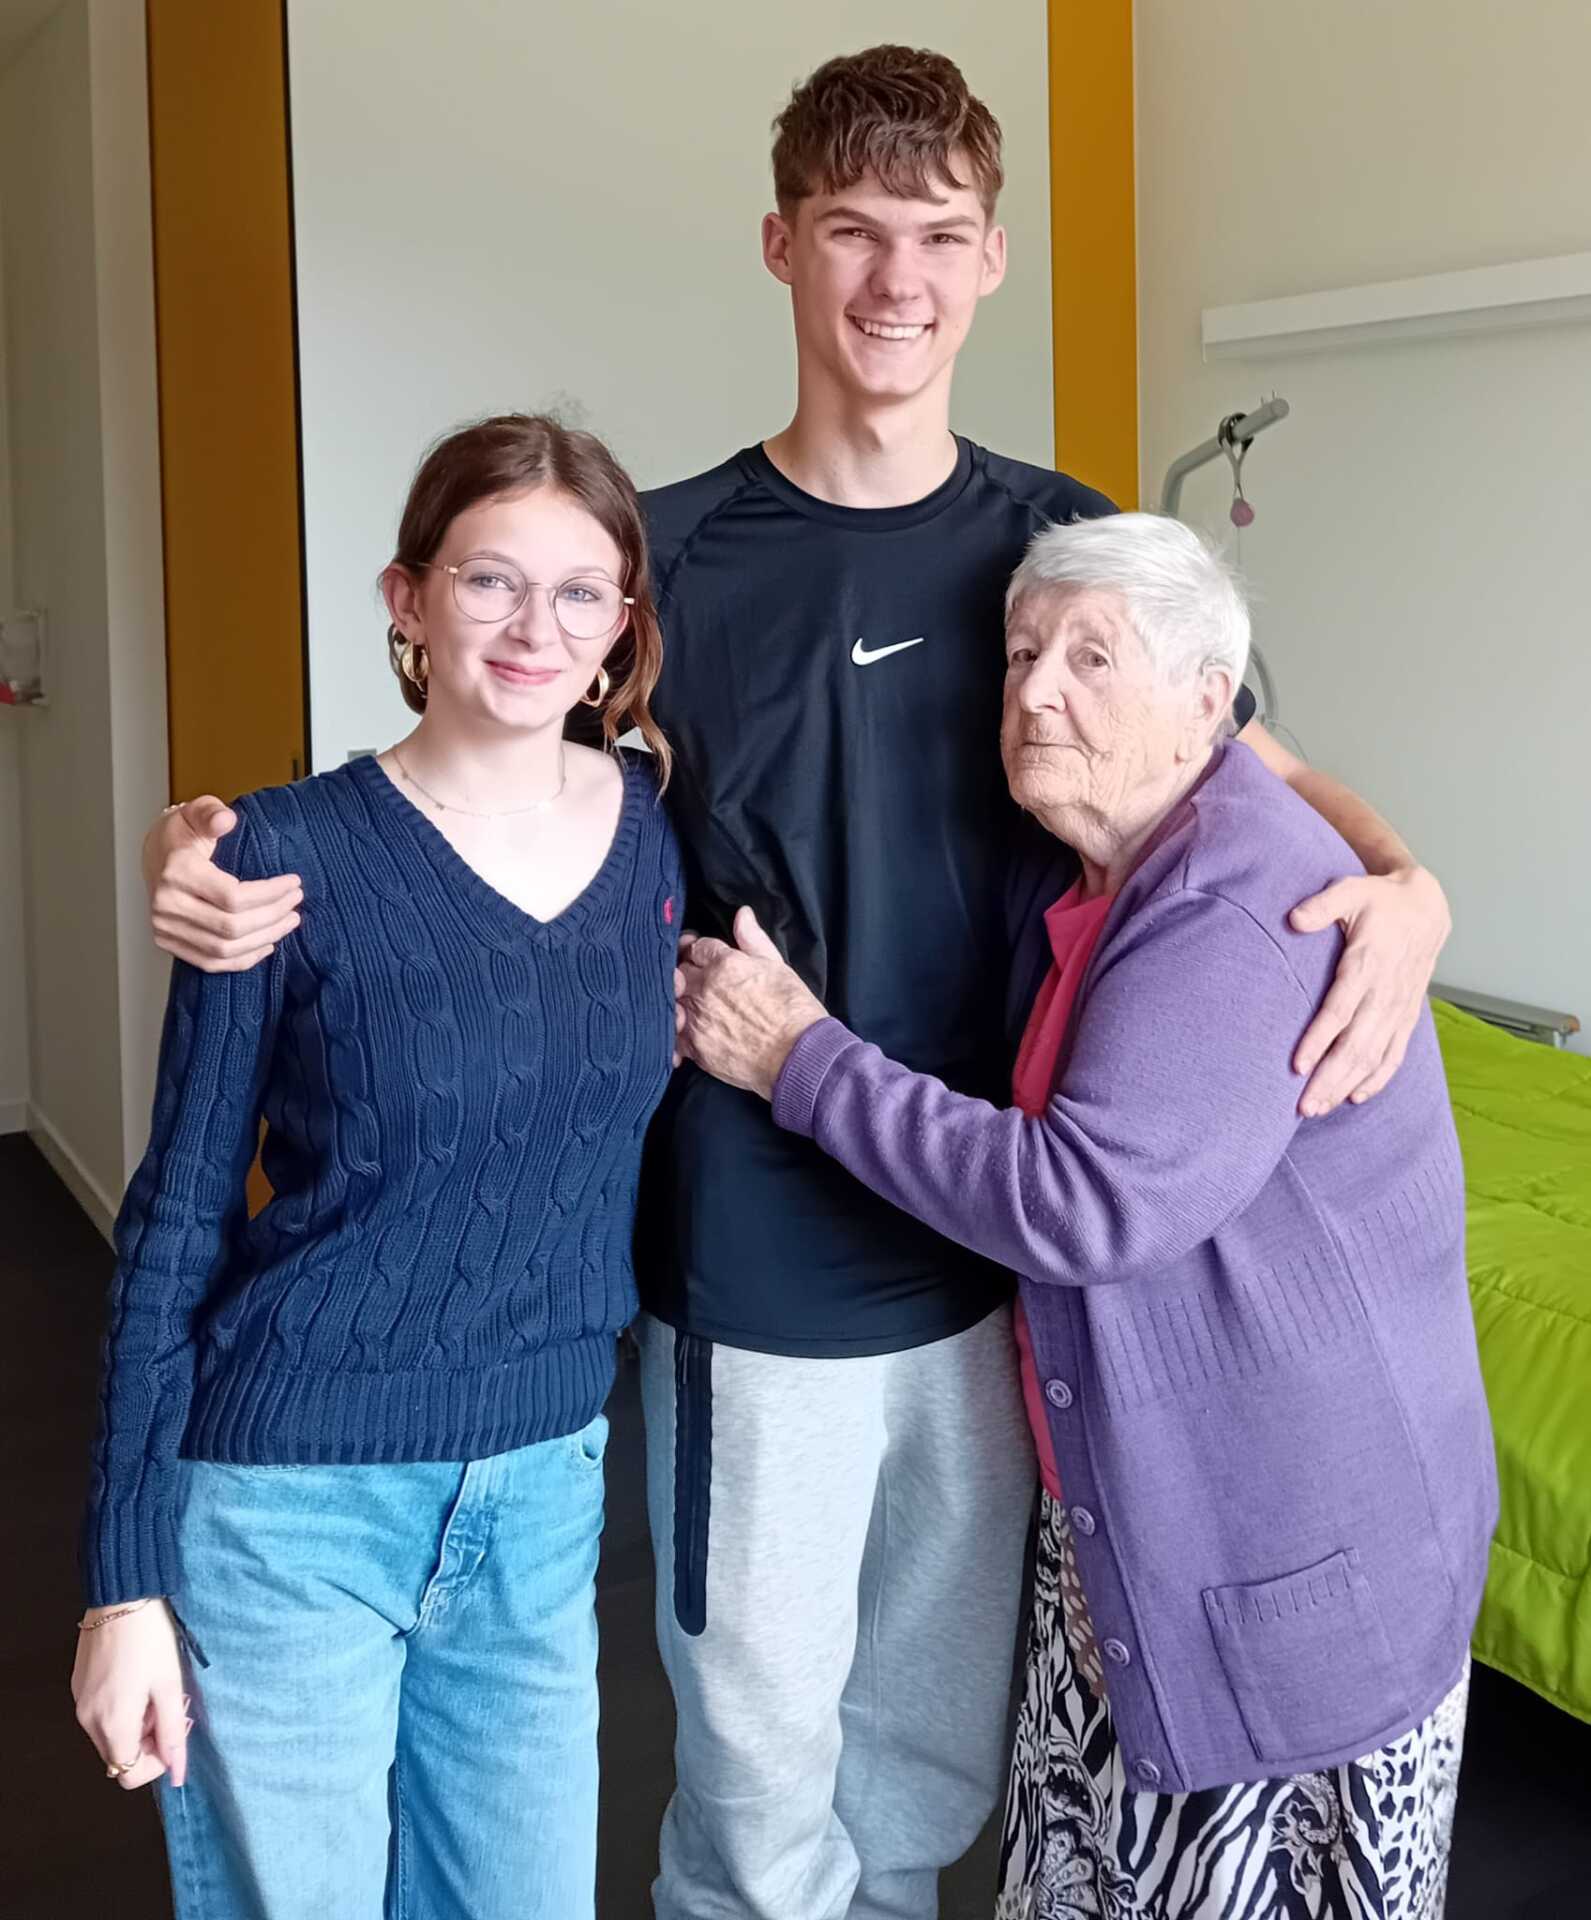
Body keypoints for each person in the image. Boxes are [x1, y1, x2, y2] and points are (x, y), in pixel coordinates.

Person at [138, 47, 1454, 1920]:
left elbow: (1251, 764)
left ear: (992, 258)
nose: (896, 279)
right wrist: (215, 849)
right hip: (755, 1275)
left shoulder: (1060, 538)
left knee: (923, 1781)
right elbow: (471, 783)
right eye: (851, 231)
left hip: (996, 1269)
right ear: (781, 246)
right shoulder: (668, 556)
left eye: (938, 234)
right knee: (759, 1800)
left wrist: (1409, 883)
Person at [674, 512, 1496, 1920]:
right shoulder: (1125, 865)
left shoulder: (1235, 902)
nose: (1036, 691)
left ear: (1209, 704)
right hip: (1163, 1525)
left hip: (1281, 1561)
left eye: (1090, 659)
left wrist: (798, 1057)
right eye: (1018, 656)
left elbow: (1087, 1200)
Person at [72, 415, 682, 1920]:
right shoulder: (272, 859)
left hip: (544, 1495)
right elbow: (174, 1221)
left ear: (620, 628)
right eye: (489, 581)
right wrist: (122, 1580)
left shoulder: (654, 838)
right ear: (408, 599)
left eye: (580, 593)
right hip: (292, 1502)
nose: (535, 628)